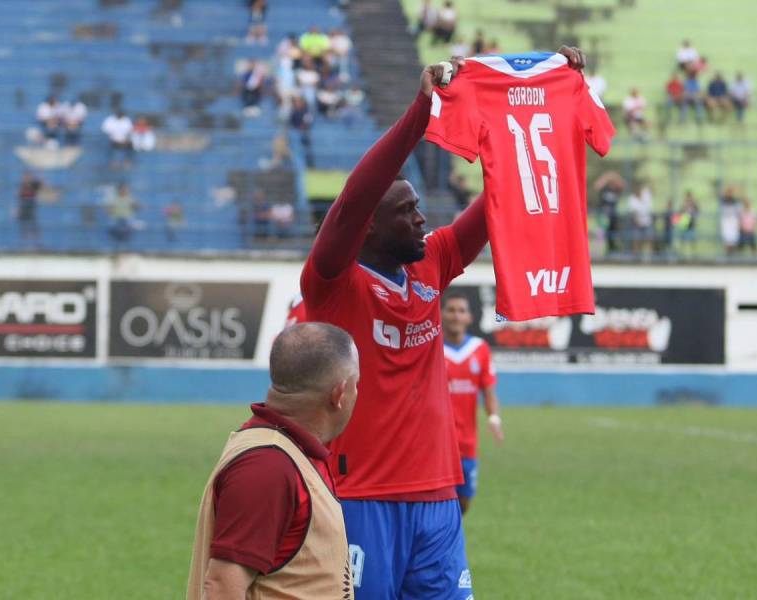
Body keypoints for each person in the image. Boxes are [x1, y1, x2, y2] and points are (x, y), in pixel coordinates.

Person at [299, 48, 586, 599]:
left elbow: (501, 200)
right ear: (368, 229)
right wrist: (420, 115)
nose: (423, 218)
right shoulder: (333, 280)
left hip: (437, 498)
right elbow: (354, 198)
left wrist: (552, 116)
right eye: (407, 210)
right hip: (362, 498)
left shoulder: (430, 262)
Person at [187, 322, 359, 600]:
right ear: (339, 394)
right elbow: (222, 587)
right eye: (356, 384)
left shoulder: (288, 453)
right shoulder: (268, 466)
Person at [441, 292, 502, 515]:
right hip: (438, 442)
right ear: (442, 315)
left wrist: (494, 417)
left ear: (469, 318)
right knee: (436, 501)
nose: (456, 316)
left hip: (467, 443)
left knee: (464, 502)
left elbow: (488, 389)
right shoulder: (431, 347)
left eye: (461, 311)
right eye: (451, 310)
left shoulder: (480, 349)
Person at [593, 170, 625, 253]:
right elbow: (597, 186)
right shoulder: (605, 189)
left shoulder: (617, 190)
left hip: (613, 216)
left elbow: (623, 185)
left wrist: (614, 176)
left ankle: (612, 250)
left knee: (613, 234)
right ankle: (597, 252)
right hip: (603, 215)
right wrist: (606, 177)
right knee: (600, 233)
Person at [628, 182, 654, 255]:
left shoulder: (646, 195)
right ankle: (636, 257)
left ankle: (651, 257)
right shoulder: (632, 199)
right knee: (636, 240)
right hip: (637, 223)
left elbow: (651, 188)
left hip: (647, 222)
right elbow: (633, 213)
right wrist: (637, 222)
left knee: (650, 239)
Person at [16, 172, 42, 243]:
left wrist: (41, 174)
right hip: (24, 203)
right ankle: (24, 236)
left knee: (32, 220)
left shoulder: (34, 184)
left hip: (30, 203)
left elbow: (41, 185)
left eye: (28, 177)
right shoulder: (22, 185)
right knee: (23, 220)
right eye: (25, 177)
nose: (26, 178)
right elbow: (19, 196)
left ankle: (35, 236)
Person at [719, 186, 741, 256]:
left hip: (733, 220)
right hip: (726, 221)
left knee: (734, 237)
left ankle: (733, 253)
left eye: (731, 192)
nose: (729, 194)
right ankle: (727, 253)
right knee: (726, 237)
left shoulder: (735, 200)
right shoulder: (723, 200)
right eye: (728, 192)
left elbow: (738, 210)